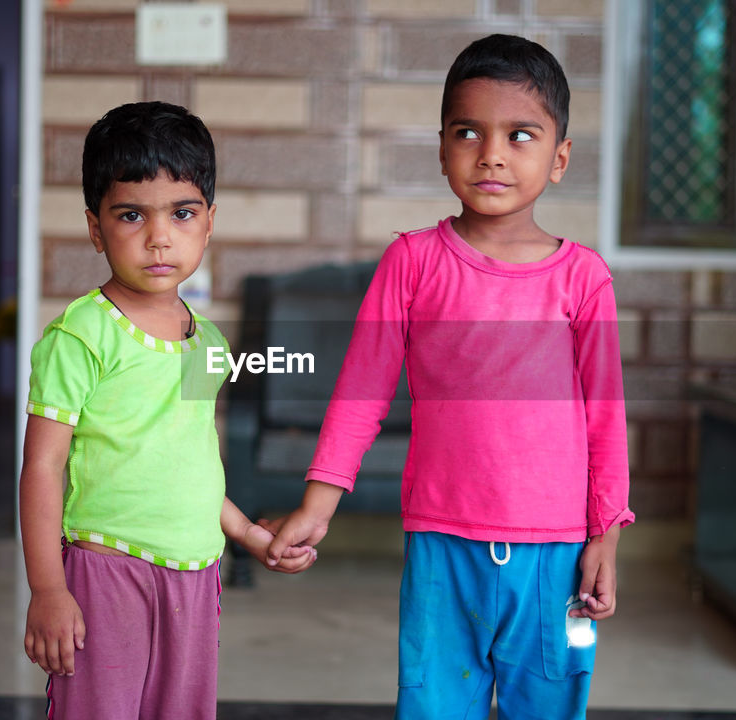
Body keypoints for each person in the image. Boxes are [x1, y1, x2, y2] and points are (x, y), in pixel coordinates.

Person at [263, 34, 634, 719]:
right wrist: (318, 504)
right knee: (435, 706)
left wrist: (605, 535)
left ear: (559, 159)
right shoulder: (412, 263)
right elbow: (360, 392)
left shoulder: (584, 279)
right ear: (441, 148)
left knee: (548, 706)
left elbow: (604, 417)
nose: (491, 152)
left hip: (554, 554)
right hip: (442, 541)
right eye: (469, 132)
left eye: (520, 135)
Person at [19, 101, 316, 720]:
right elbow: (42, 468)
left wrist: (250, 535)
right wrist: (48, 589)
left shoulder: (207, 341)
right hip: (106, 570)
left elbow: (192, 461)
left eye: (182, 213)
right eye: (131, 215)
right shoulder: (80, 337)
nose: (159, 236)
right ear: (96, 229)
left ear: (208, 224)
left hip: (194, 572)